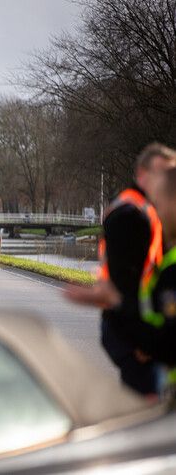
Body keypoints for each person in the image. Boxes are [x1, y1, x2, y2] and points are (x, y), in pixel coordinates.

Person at [66, 143, 176, 395]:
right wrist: (140, 337)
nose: (168, 182)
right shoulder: (131, 212)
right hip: (132, 325)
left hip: (142, 326)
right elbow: (126, 277)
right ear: (141, 174)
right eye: (163, 174)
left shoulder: (146, 209)